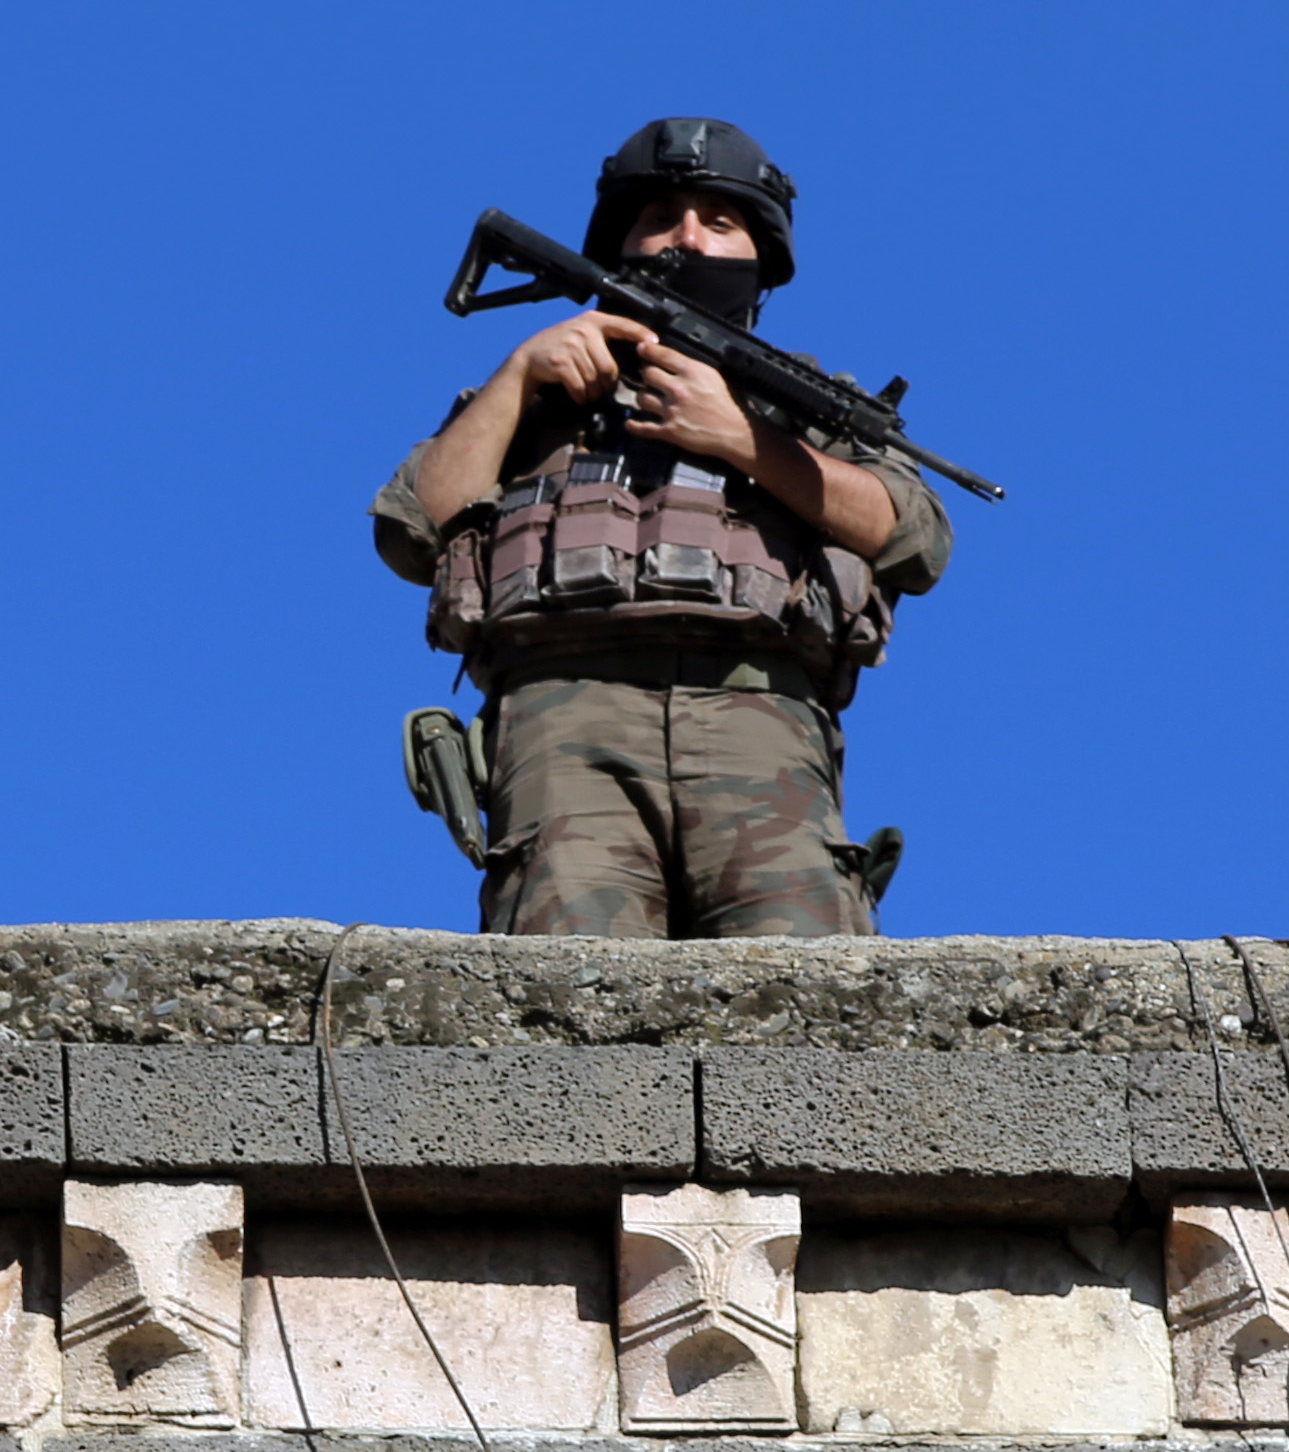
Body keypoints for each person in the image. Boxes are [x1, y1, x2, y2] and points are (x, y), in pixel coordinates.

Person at [374, 116, 951, 937]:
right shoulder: (532, 401)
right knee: (566, 992)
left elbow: (916, 539)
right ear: (616, 246)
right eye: (661, 217)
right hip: (563, 718)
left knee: (799, 989)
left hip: (760, 718)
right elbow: (408, 533)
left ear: (761, 258)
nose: (686, 238)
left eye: (719, 221)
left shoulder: (809, 407)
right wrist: (519, 374)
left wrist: (741, 439)